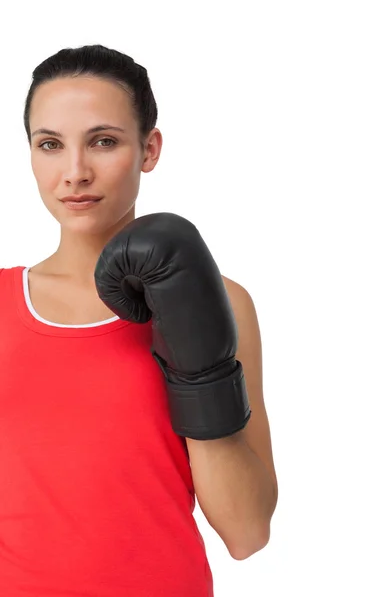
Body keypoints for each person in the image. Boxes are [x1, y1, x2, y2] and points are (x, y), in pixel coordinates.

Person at [0, 44, 278, 596]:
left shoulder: (221, 301)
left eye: (104, 141)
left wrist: (196, 363)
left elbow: (247, 532)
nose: (75, 172)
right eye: (50, 145)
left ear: (149, 149)